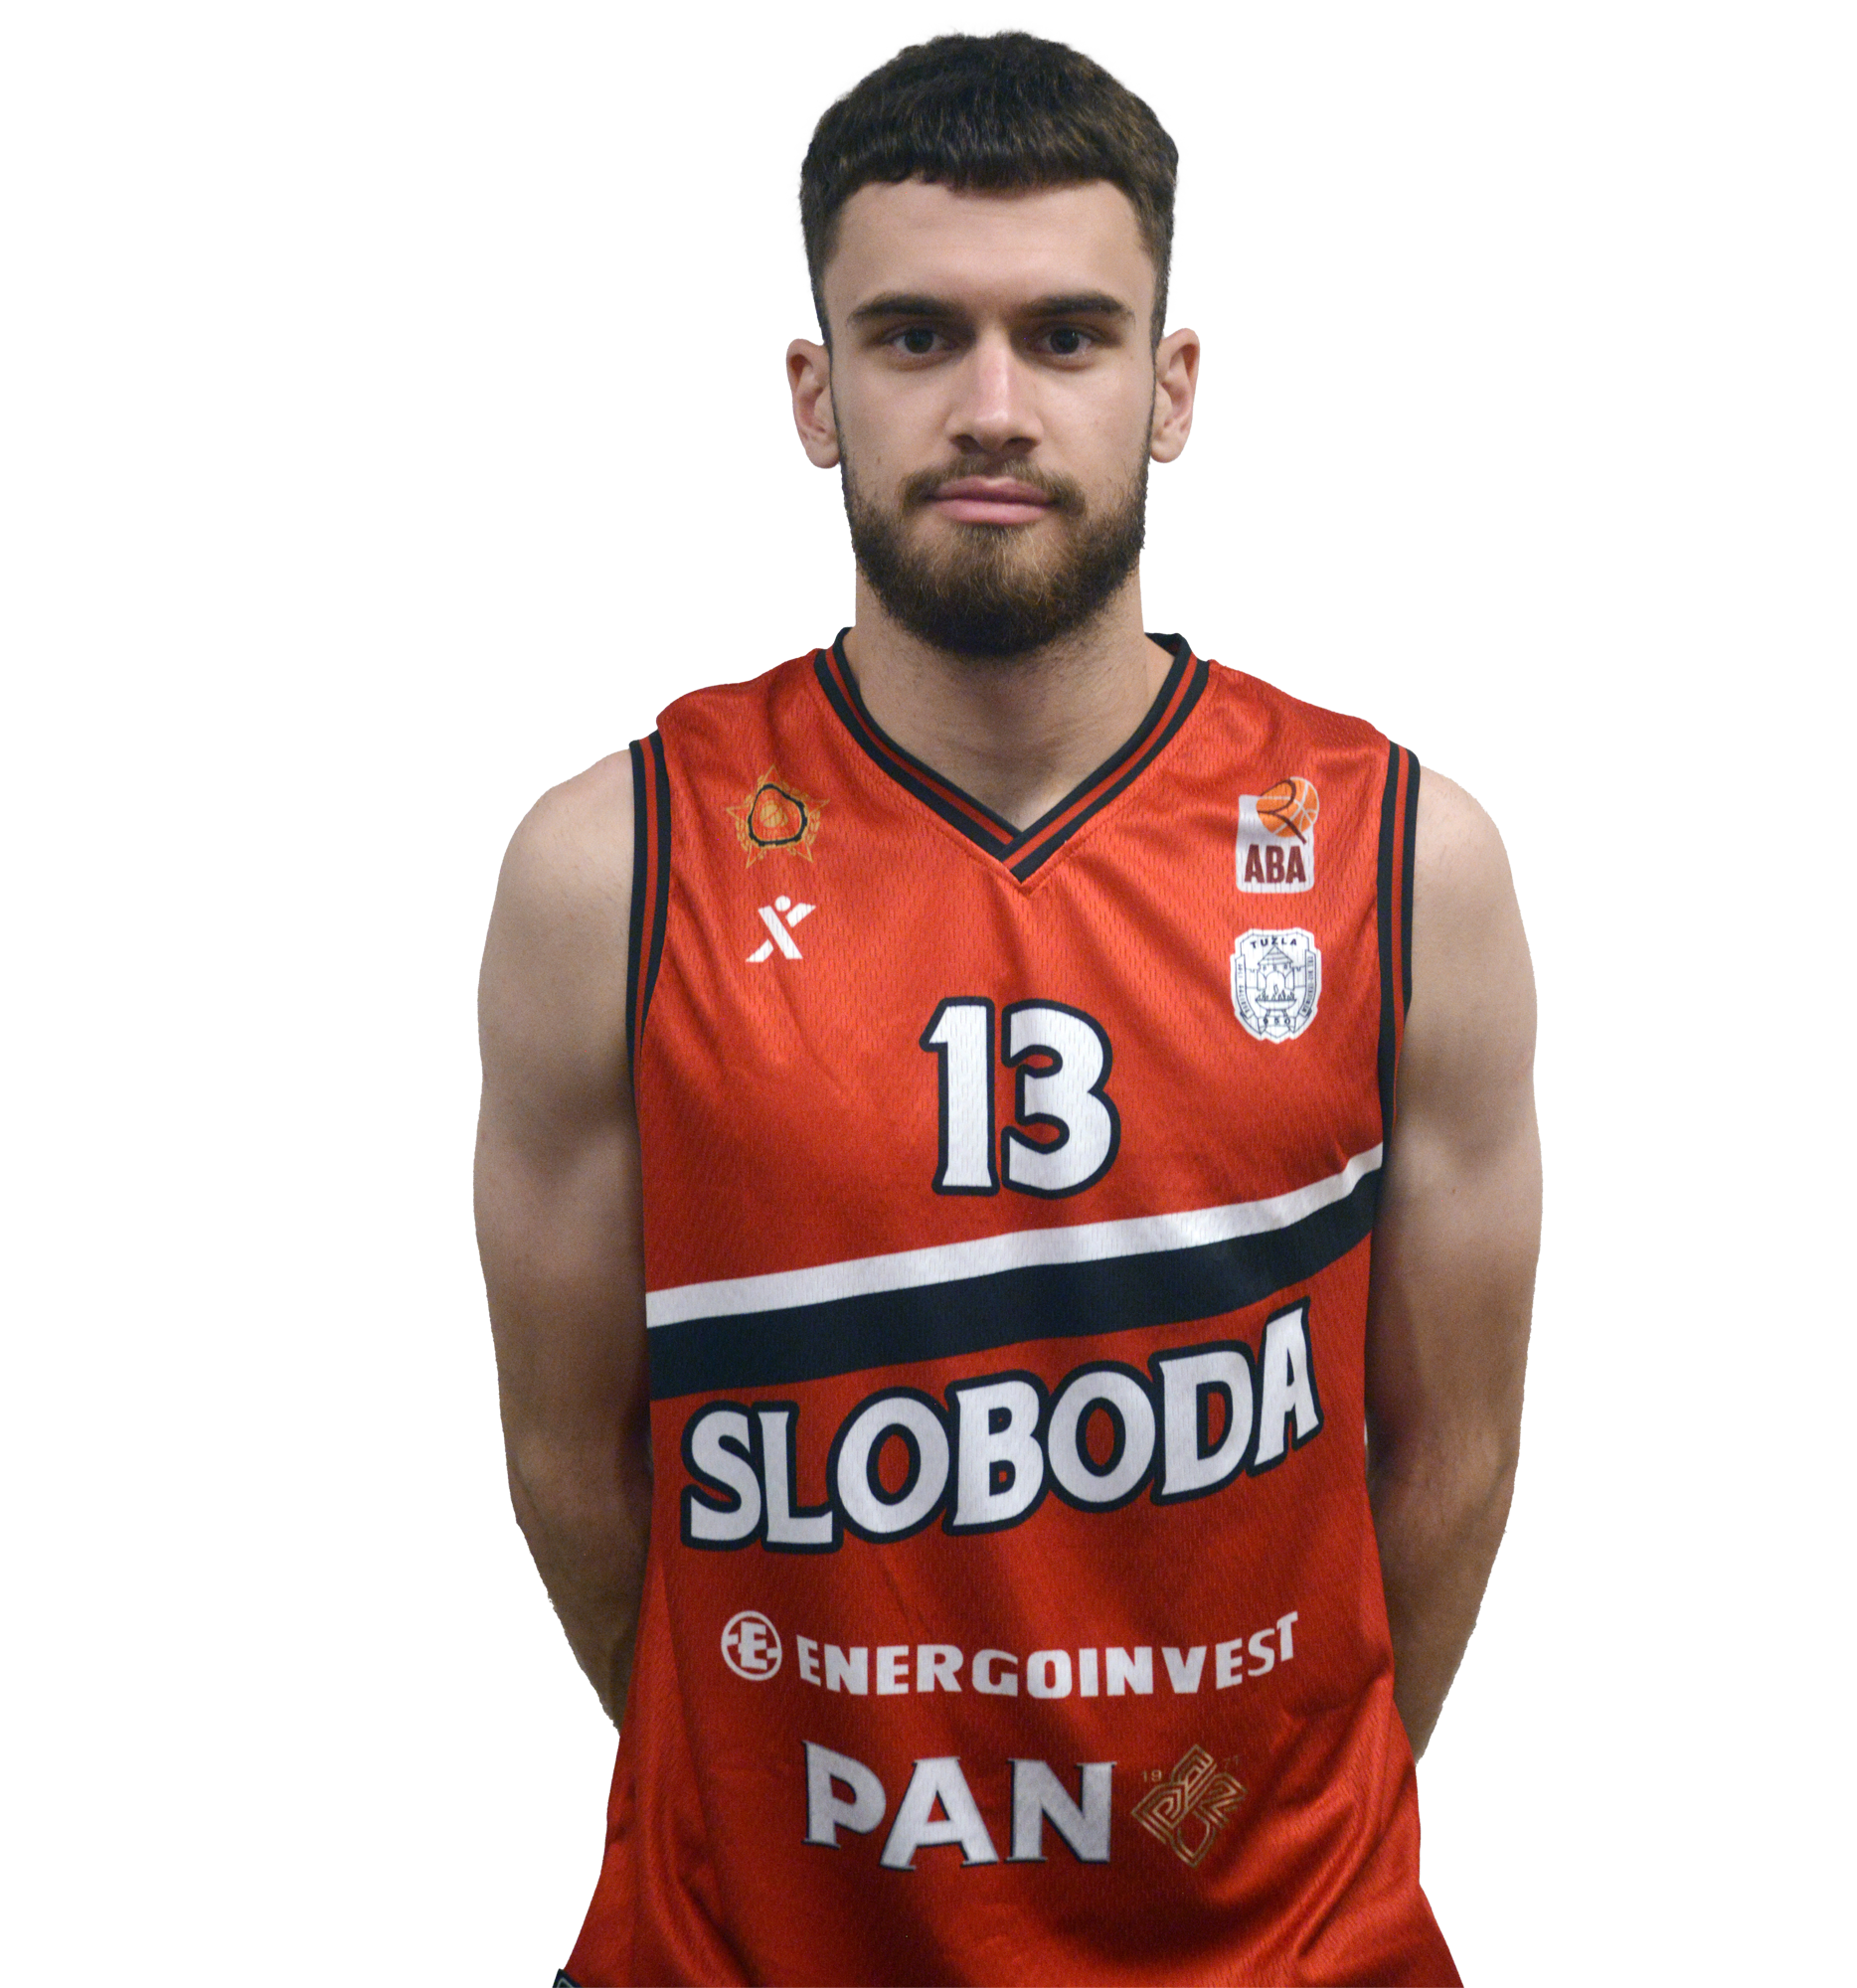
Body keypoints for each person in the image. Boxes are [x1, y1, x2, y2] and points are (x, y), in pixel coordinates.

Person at [475, 27, 1539, 1988]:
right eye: (913, 337)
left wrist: (1285, 1811)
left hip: (1283, 1950)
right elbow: (572, 1455)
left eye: (1065, 336)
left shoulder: (1400, 857)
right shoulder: (612, 867)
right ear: (817, 392)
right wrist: (763, 1795)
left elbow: (1447, 1450)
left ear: (1168, 385)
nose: (992, 407)